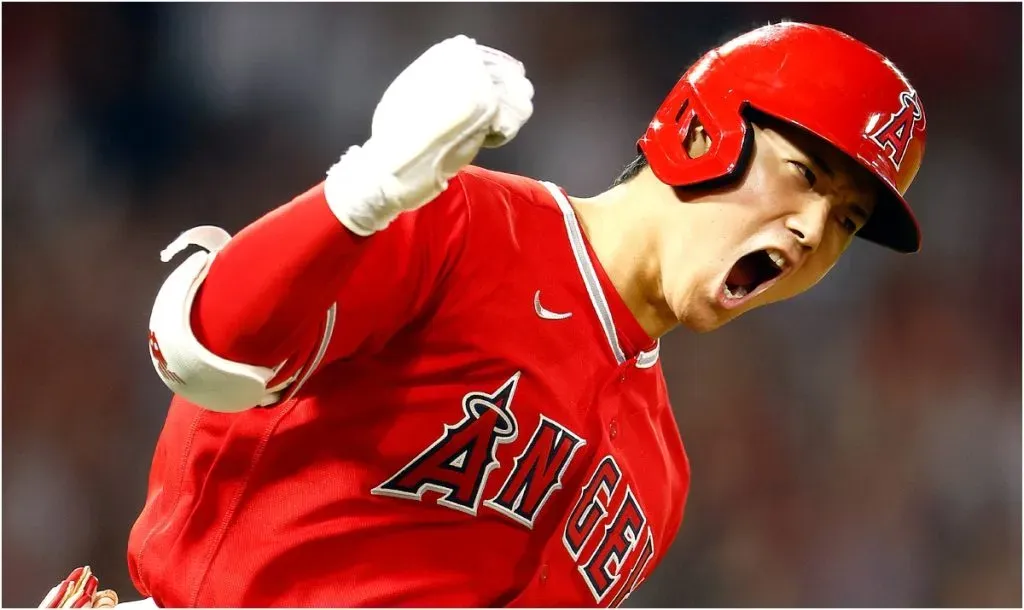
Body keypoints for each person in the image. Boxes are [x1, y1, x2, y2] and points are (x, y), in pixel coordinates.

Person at [46, 21, 927, 608]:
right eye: (805, 174)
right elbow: (200, 348)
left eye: (846, 220)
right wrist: (362, 194)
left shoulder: (658, 479)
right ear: (700, 133)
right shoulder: (463, 224)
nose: (814, 230)